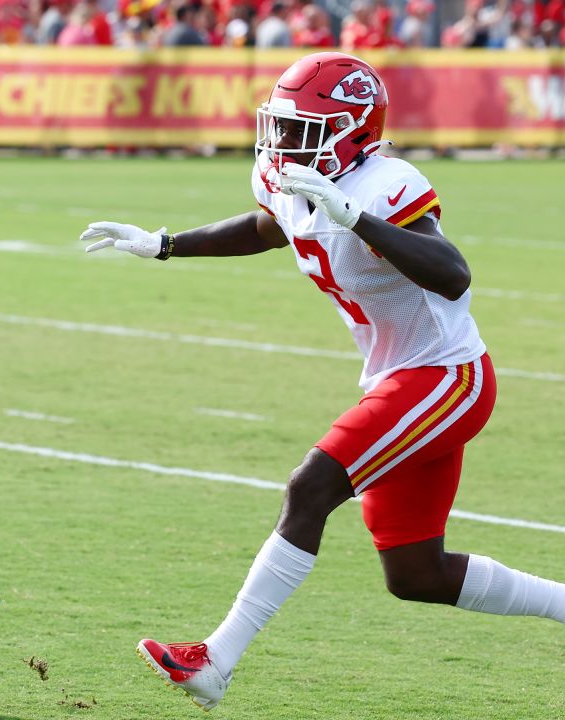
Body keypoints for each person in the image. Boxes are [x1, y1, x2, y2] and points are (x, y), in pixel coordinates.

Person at [79, 51, 565, 711]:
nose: (282, 141)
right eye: (278, 124)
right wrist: (166, 244)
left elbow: (453, 273)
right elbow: (268, 226)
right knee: (416, 574)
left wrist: (355, 217)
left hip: (446, 377)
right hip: (399, 376)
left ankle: (215, 661)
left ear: (356, 131)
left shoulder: (384, 183)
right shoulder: (293, 174)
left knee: (311, 486)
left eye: (302, 127)